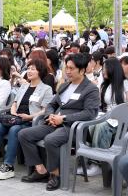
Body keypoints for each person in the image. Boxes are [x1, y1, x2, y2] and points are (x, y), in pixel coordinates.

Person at [18, 53, 100, 191]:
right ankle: (40, 170)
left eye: (71, 68)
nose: (67, 71)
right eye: (66, 68)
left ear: (82, 70)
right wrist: (50, 115)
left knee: (51, 140)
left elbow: (90, 113)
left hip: (73, 127)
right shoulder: (64, 86)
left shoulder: (90, 89)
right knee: (24, 134)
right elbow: (51, 104)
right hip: (54, 123)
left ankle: (55, 175)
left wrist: (64, 119)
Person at [0, 59, 53, 180]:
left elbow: (45, 110)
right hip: (16, 117)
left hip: (31, 121)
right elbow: (15, 102)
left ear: (40, 71)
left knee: (14, 130)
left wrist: (30, 117)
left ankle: (8, 165)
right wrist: (13, 110)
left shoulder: (46, 89)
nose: (29, 71)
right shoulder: (24, 86)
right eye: (29, 68)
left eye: (33, 69)